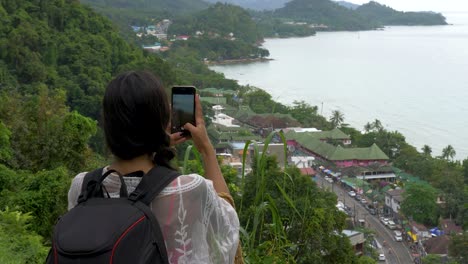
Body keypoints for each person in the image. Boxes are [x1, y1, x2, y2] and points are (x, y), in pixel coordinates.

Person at [67, 71, 241, 263]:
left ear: (108, 125)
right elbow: (228, 233)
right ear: (163, 120)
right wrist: (207, 149)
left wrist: (157, 144)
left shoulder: (83, 186)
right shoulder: (189, 190)